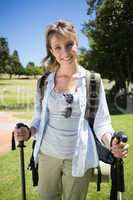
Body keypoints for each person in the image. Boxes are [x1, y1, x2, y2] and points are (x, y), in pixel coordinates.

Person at [14, 20, 128, 200]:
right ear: (51, 51)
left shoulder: (92, 81)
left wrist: (112, 143)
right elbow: (38, 119)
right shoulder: (44, 83)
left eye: (69, 45)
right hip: (47, 155)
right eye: (57, 47)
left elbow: (102, 124)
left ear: (77, 43)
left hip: (79, 158)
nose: (64, 52)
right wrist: (28, 131)